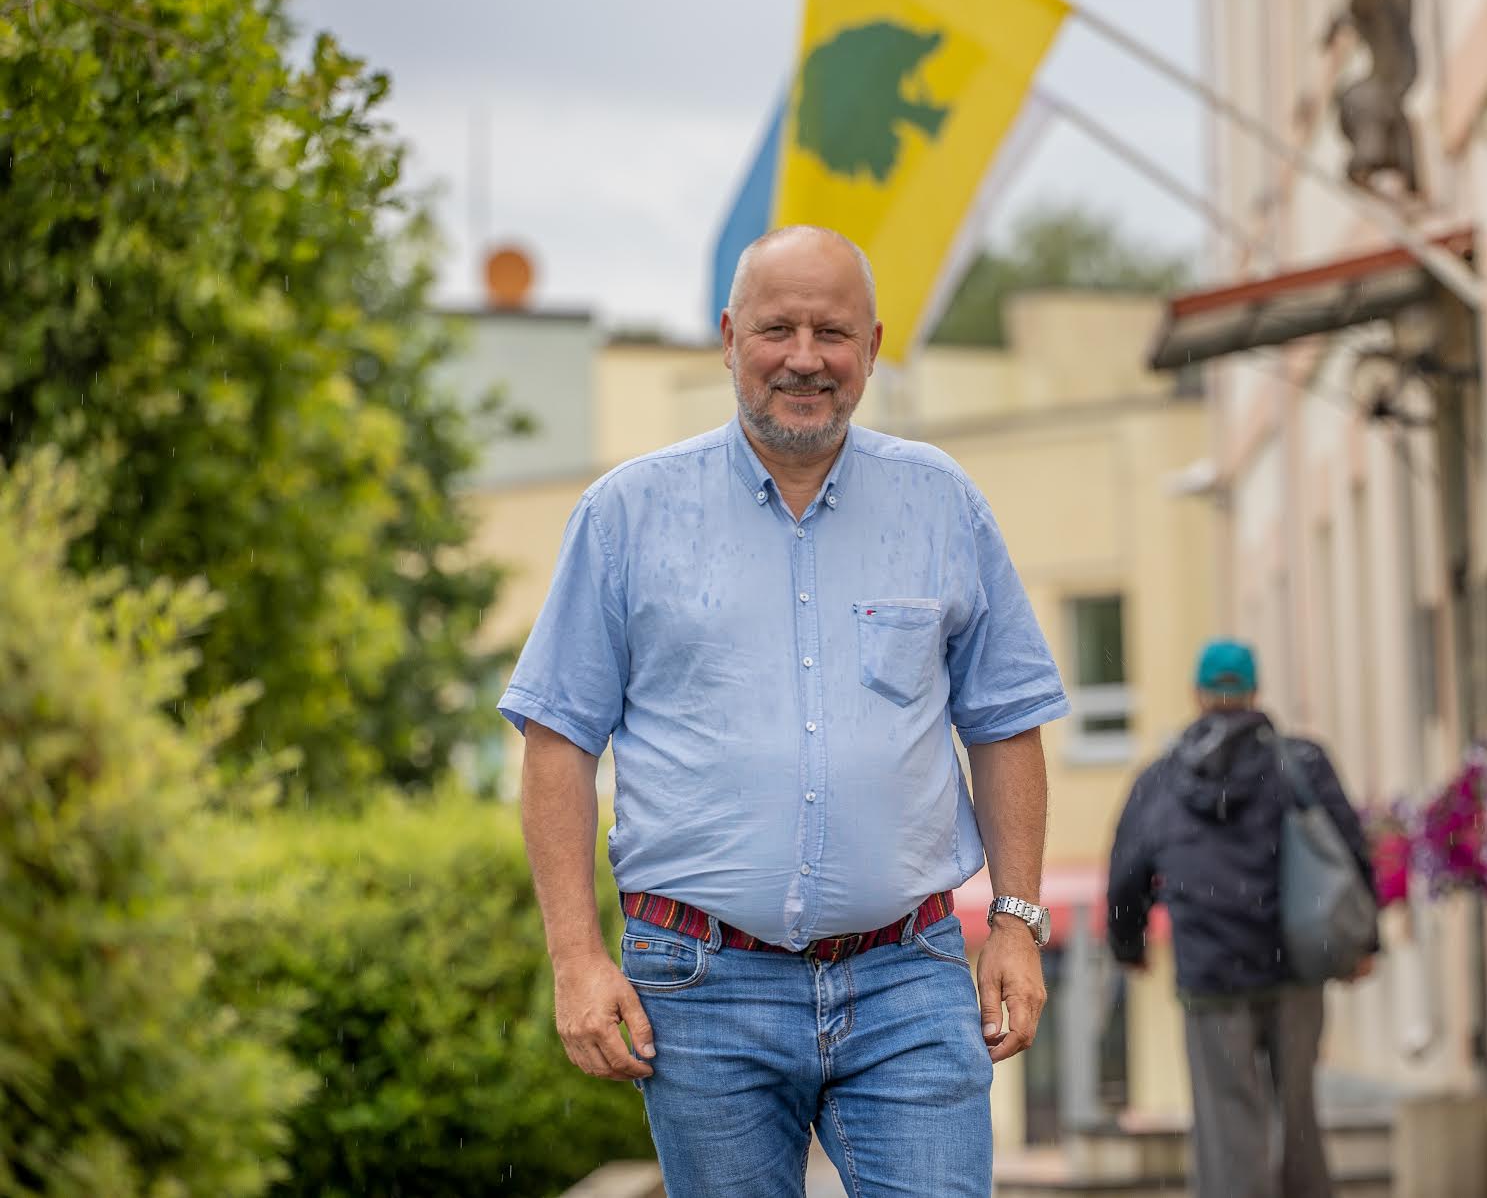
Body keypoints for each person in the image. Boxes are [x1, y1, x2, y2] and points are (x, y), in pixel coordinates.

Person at [499, 225, 1070, 1197]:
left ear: (874, 346)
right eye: (778, 328)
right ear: (728, 336)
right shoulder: (625, 514)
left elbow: (1005, 719)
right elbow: (559, 742)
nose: (805, 357)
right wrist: (576, 957)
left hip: (909, 977)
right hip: (698, 985)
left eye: (832, 331)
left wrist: (1014, 921)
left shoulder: (944, 505)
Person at [1105, 637, 1378, 1198]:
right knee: (1297, 1117)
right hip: (1295, 966)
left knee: (1226, 1124)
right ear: (1254, 690)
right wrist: (1362, 943)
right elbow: (1350, 850)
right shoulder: (1300, 763)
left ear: (1198, 694)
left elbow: (1126, 876)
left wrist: (1129, 947)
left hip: (1211, 976)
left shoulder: (1160, 780)